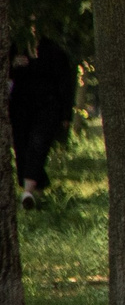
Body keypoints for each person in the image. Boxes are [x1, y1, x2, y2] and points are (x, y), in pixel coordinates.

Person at [10, 31, 77, 205]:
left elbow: (65, 85)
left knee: (37, 144)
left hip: (48, 107)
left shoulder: (54, 51)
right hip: (20, 108)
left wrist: (65, 115)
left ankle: (27, 192)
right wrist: (12, 64)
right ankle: (36, 190)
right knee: (22, 146)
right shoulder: (14, 48)